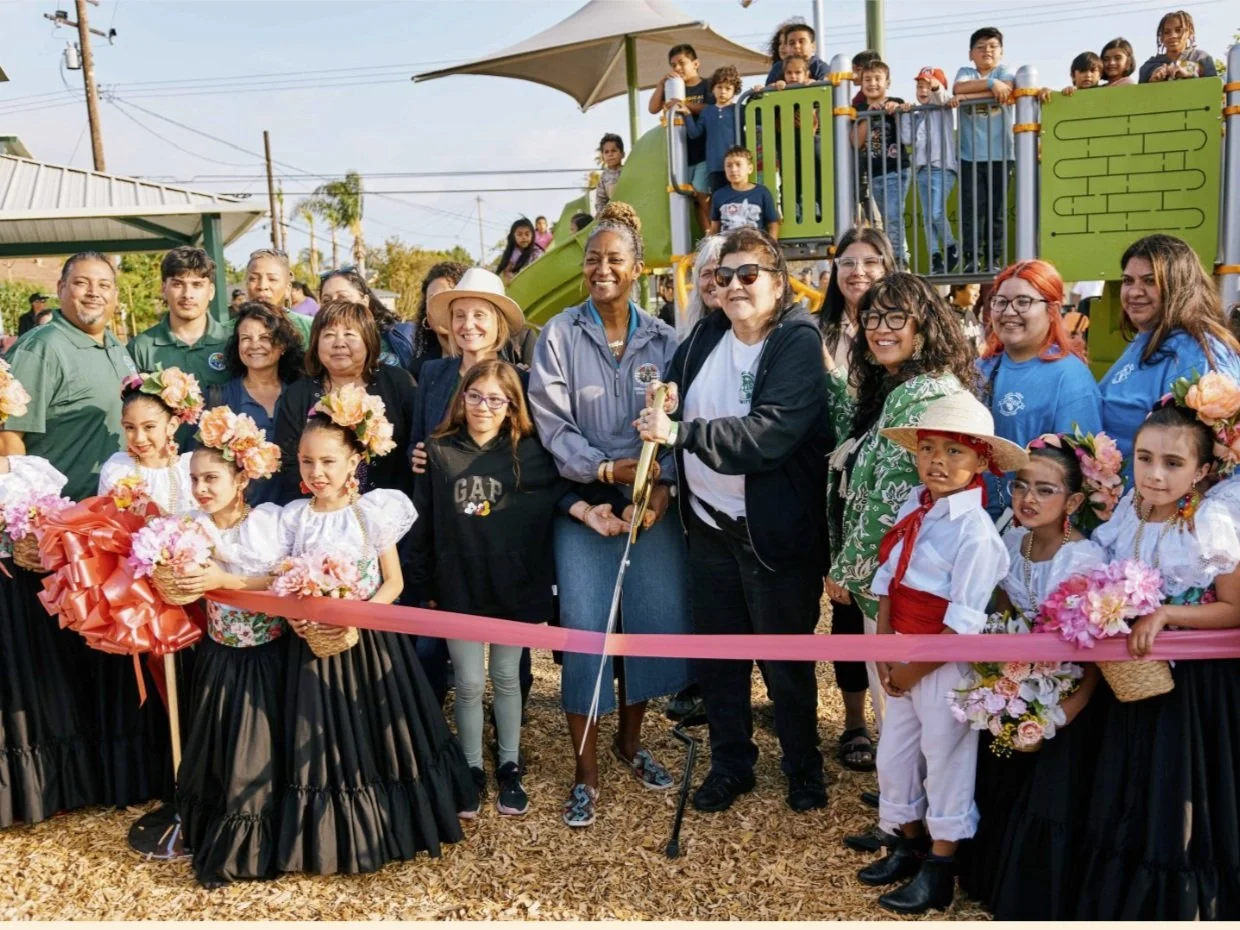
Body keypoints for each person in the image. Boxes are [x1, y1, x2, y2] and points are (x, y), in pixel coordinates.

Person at [638, 226, 832, 814]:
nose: (736, 285)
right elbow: (672, 388)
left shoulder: (797, 341)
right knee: (719, 659)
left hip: (773, 535)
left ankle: (803, 767)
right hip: (710, 528)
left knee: (786, 660)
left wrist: (681, 432)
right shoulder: (703, 336)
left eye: (751, 275)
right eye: (725, 276)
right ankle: (731, 765)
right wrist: (665, 401)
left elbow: (770, 434)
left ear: (778, 284)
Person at [529, 202, 689, 828]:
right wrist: (606, 472)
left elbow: (680, 425)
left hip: (652, 502)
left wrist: (661, 490)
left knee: (648, 621)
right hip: (586, 501)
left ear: (637, 269)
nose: (602, 269)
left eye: (614, 260)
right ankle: (585, 768)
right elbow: (552, 422)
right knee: (587, 625)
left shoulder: (667, 339)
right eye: (593, 259)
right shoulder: (559, 335)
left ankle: (631, 742)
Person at [276, 389, 475, 876]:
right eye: (306, 462)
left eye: (327, 461)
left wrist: (357, 614)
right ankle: (330, 831)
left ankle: (388, 820)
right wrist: (295, 615)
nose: (316, 472)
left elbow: (395, 581)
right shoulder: (293, 517)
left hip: (370, 644)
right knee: (320, 736)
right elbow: (282, 580)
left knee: (381, 728)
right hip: (310, 647)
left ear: (353, 462)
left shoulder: (373, 512)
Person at [1, 252, 170, 811]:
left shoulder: (116, 347)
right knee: (57, 670)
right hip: (54, 535)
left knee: (101, 658)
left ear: (116, 295)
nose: (92, 293)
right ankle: (59, 787)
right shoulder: (43, 347)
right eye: (81, 283)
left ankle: (106, 779)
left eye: (103, 284)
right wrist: (20, 522)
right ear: (60, 288)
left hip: (104, 537)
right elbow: (9, 433)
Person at [412, 360, 611, 816]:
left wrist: (589, 512)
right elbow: (423, 521)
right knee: (466, 681)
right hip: (458, 585)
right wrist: (425, 585)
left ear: (511, 407)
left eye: (496, 399)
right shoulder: (438, 451)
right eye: (476, 396)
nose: (484, 406)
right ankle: (470, 767)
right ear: (461, 398)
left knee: (506, 677)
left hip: (512, 587)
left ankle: (507, 765)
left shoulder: (530, 453)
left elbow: (559, 494)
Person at [858, 392, 1023, 915]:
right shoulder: (916, 506)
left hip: (941, 665)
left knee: (946, 759)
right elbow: (890, 581)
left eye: (955, 452)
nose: (937, 461)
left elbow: (962, 627)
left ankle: (940, 867)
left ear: (981, 462)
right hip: (901, 656)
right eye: (928, 448)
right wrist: (886, 650)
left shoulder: (975, 535)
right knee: (894, 755)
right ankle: (907, 841)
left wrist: (910, 669)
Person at [1074, 398, 1240, 919]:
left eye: (1174, 464)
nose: (1155, 474)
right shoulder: (1130, 506)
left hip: (1190, 688)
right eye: (1145, 458)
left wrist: (1167, 614)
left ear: (1203, 470)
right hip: (1129, 676)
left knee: (1173, 794)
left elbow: (1234, 608)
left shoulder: (1208, 522)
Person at [826, 274, 977, 830]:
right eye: (871, 318)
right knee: (901, 712)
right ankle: (901, 817)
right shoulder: (890, 389)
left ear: (924, 325)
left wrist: (848, 567)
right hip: (892, 574)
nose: (880, 329)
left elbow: (890, 492)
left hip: (908, 578)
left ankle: (914, 834)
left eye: (895, 318)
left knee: (907, 707)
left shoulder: (923, 393)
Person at [964, 434, 1110, 919]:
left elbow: (1095, 652)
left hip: (1071, 694)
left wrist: (1070, 705)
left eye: (1045, 490)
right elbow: (1004, 613)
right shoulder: (1011, 539)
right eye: (1022, 485)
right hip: (1018, 685)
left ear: (1071, 501)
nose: (1028, 499)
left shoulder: (1083, 559)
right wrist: (998, 682)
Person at [408, 267, 534, 708]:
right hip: (446, 527)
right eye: (460, 315)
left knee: (507, 654)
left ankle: (510, 724)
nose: (469, 325)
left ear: (497, 323)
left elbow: (526, 449)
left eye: (480, 315)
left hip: (500, 528)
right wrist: (418, 458)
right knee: (443, 644)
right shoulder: (432, 375)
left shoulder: (523, 378)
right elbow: (417, 441)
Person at [173, 411, 286, 888]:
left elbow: (280, 577)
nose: (201, 488)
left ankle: (254, 844)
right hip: (219, 654)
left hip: (266, 656)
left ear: (241, 478)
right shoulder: (191, 526)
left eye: (212, 478)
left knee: (255, 752)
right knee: (219, 746)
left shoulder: (267, 521)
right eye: (195, 478)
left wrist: (225, 579)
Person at [0, 379, 96, 829]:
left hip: (26, 594)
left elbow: (56, 522)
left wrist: (39, 544)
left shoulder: (28, 470)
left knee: (38, 679)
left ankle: (51, 785)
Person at [819, 227, 896, 773]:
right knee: (843, 609)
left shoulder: (900, 337)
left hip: (886, 490)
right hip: (828, 492)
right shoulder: (813, 332)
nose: (859, 272)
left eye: (871, 261)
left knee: (889, 603)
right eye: (848, 261)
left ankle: (901, 728)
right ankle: (853, 721)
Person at [1098, 234, 1240, 476]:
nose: (1134, 292)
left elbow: (1212, 459)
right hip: (1129, 508)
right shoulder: (1148, 336)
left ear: (1179, 286)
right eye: (1128, 281)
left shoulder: (1197, 352)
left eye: (1150, 281)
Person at [977, 260, 1103, 518]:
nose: (1009, 312)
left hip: (1030, 529)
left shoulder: (1070, 378)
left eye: (1023, 302)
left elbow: (1077, 469)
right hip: (974, 522)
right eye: (1000, 302)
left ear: (1052, 310)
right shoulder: (982, 367)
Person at [273, 299, 416, 503]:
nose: (339, 343)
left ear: (368, 340)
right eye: (329, 335)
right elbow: (287, 459)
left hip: (388, 508)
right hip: (321, 511)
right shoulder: (298, 394)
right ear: (316, 343)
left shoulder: (397, 382)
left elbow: (416, 442)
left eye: (350, 334)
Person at [129, 247, 232, 449]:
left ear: (210, 291)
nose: (187, 294)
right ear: (163, 288)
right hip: (162, 466)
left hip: (220, 468)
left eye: (197, 285)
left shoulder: (232, 343)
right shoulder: (141, 347)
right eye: (178, 284)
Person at [211, 301, 305, 505]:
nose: (254, 345)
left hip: (299, 514)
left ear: (282, 345)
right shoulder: (220, 400)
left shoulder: (302, 396)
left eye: (265, 338)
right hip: (244, 519)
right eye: (245, 338)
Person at [952, 28, 1016, 274]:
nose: (986, 51)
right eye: (980, 47)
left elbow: (1007, 88)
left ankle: (993, 259)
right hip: (970, 156)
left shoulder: (1005, 71)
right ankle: (971, 258)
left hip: (1001, 155)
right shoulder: (966, 72)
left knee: (996, 210)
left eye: (992, 46)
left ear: (1001, 52)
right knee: (972, 209)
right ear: (971, 54)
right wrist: (990, 85)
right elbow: (959, 89)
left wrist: (973, 94)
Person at [98, 369, 201, 515]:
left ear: (172, 426)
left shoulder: (190, 470)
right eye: (130, 427)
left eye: (149, 427)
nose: (139, 438)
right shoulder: (117, 468)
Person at [648, 44, 715, 232]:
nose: (677, 68)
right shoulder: (675, 89)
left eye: (681, 63)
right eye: (673, 65)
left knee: (703, 193)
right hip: (683, 153)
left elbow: (711, 108)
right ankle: (707, 236)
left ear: (695, 63)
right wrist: (662, 84)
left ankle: (717, 231)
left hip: (703, 150)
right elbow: (653, 108)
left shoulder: (707, 85)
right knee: (693, 197)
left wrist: (685, 106)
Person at [901, 68, 959, 274]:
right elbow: (907, 139)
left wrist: (936, 87)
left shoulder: (941, 107)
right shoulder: (917, 112)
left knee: (935, 213)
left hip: (942, 167)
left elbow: (944, 97)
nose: (923, 90)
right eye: (919, 86)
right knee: (927, 217)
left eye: (927, 85)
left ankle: (952, 246)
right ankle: (935, 257)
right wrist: (907, 114)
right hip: (922, 169)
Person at [855, 61, 910, 265]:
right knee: (887, 218)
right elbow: (856, 141)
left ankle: (899, 259)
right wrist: (868, 116)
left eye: (878, 79)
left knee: (893, 216)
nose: (872, 83)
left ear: (887, 82)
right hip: (875, 172)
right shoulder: (859, 109)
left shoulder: (894, 101)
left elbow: (905, 131)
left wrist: (896, 110)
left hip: (896, 168)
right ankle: (896, 257)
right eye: (867, 79)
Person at [320, 268, 416, 372]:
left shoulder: (400, 336)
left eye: (342, 297)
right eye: (326, 300)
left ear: (364, 301)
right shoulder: (319, 343)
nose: (333, 304)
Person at [681, 65, 743, 196]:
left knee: (737, 198)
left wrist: (757, 93)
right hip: (715, 165)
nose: (723, 92)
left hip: (737, 166)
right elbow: (694, 133)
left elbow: (758, 119)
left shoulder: (739, 109)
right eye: (719, 87)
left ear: (735, 91)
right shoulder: (707, 111)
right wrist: (687, 114)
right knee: (719, 199)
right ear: (713, 89)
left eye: (728, 88)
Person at [245, 248, 314, 348]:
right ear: (246, 285)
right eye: (253, 279)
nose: (262, 286)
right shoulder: (227, 332)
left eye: (272, 279)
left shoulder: (310, 328)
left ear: (287, 288)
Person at [410, 261, 468, 380]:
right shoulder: (419, 371)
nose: (440, 307)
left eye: (447, 298)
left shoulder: (503, 359)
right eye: (432, 300)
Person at [709, 146, 780, 239]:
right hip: (727, 249)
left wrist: (771, 247)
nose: (733, 169)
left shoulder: (762, 193)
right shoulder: (718, 195)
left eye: (738, 164)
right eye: (729, 165)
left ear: (750, 169)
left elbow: (773, 224)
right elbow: (714, 228)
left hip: (754, 247)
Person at [1139, 10, 1217, 83]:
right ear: (1161, 37)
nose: (1172, 36)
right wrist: (1152, 80)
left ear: (1190, 33)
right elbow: (1140, 94)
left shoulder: (1202, 58)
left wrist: (1190, 73)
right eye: (1167, 32)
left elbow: (1213, 88)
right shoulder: (1149, 66)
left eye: (1178, 30)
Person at [764, 22, 828, 86]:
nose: (796, 46)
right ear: (787, 47)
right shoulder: (778, 68)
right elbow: (767, 93)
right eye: (792, 43)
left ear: (813, 46)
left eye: (801, 42)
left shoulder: (820, 68)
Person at [496, 218, 545, 285]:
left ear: (532, 235)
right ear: (513, 237)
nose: (524, 237)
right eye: (519, 234)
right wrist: (509, 277)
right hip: (522, 284)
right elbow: (507, 271)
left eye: (527, 234)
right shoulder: (513, 253)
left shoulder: (537, 251)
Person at [593, 135, 625, 218]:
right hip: (614, 215)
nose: (610, 154)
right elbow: (601, 200)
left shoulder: (627, 171)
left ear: (622, 154)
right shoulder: (604, 178)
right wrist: (601, 213)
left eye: (614, 151)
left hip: (629, 211)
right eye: (606, 152)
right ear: (603, 157)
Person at [948, 283, 985, 353]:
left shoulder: (971, 315)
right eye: (974, 289)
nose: (977, 294)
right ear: (958, 290)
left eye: (979, 291)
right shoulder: (947, 315)